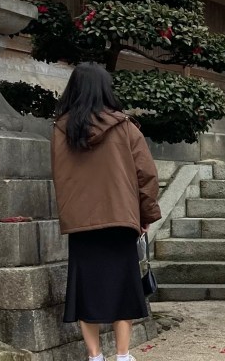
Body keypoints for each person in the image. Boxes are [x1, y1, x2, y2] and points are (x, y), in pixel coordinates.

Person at [50, 63, 161, 361]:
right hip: (121, 219)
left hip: (81, 223)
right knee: (123, 287)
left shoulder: (61, 130)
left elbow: (61, 176)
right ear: (105, 89)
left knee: (87, 290)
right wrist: (145, 215)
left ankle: (94, 355)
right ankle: (123, 355)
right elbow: (146, 175)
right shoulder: (125, 128)